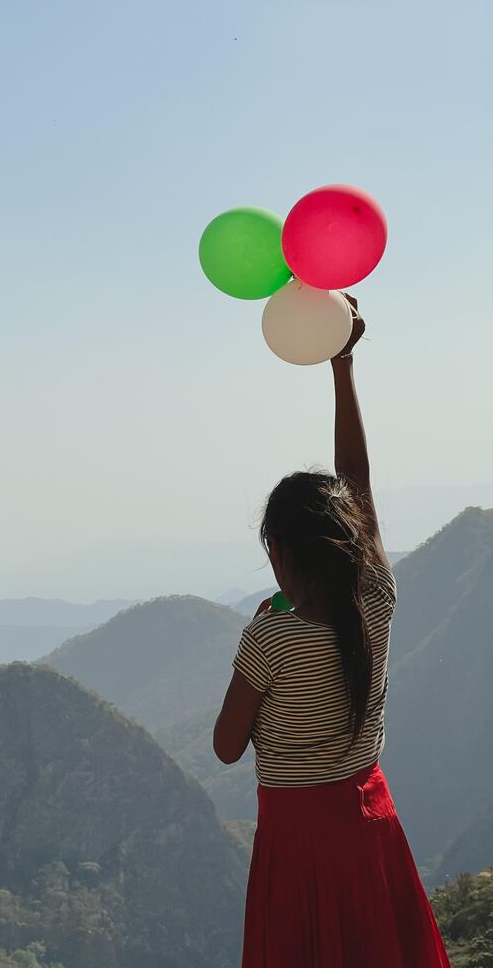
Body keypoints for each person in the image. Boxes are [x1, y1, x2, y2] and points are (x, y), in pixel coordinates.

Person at [213, 300, 450, 968]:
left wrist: (257, 639)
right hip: (370, 824)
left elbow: (226, 747)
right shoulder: (375, 601)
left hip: (296, 843)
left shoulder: (269, 640)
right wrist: (342, 366)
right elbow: (359, 487)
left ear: (280, 553)